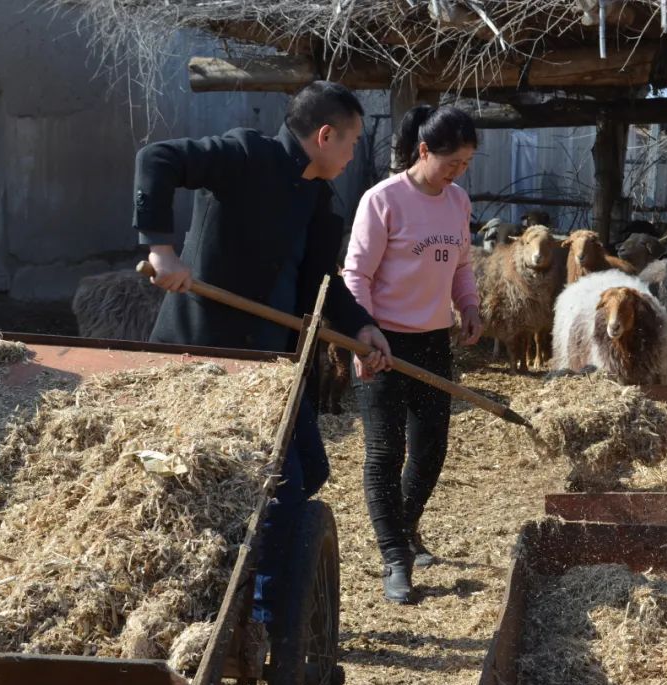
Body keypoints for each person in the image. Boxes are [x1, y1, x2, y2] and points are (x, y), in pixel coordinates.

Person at [132, 80, 393, 626]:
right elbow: (156, 158)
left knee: (311, 470)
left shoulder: (321, 200)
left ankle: (236, 566)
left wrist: (362, 327)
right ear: (324, 136)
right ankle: (262, 622)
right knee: (280, 494)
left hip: (273, 370)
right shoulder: (246, 155)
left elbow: (322, 280)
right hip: (208, 360)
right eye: (350, 144)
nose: (352, 156)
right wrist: (161, 249)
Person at [343, 105, 482, 604]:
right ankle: (394, 557)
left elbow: (462, 264)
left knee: (430, 449)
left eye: (466, 164)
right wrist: (363, 334)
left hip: (432, 340)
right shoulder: (383, 201)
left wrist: (468, 304)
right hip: (381, 340)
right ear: (424, 151)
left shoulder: (458, 201)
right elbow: (355, 275)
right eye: (452, 162)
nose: (458, 172)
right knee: (385, 450)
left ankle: (407, 526)